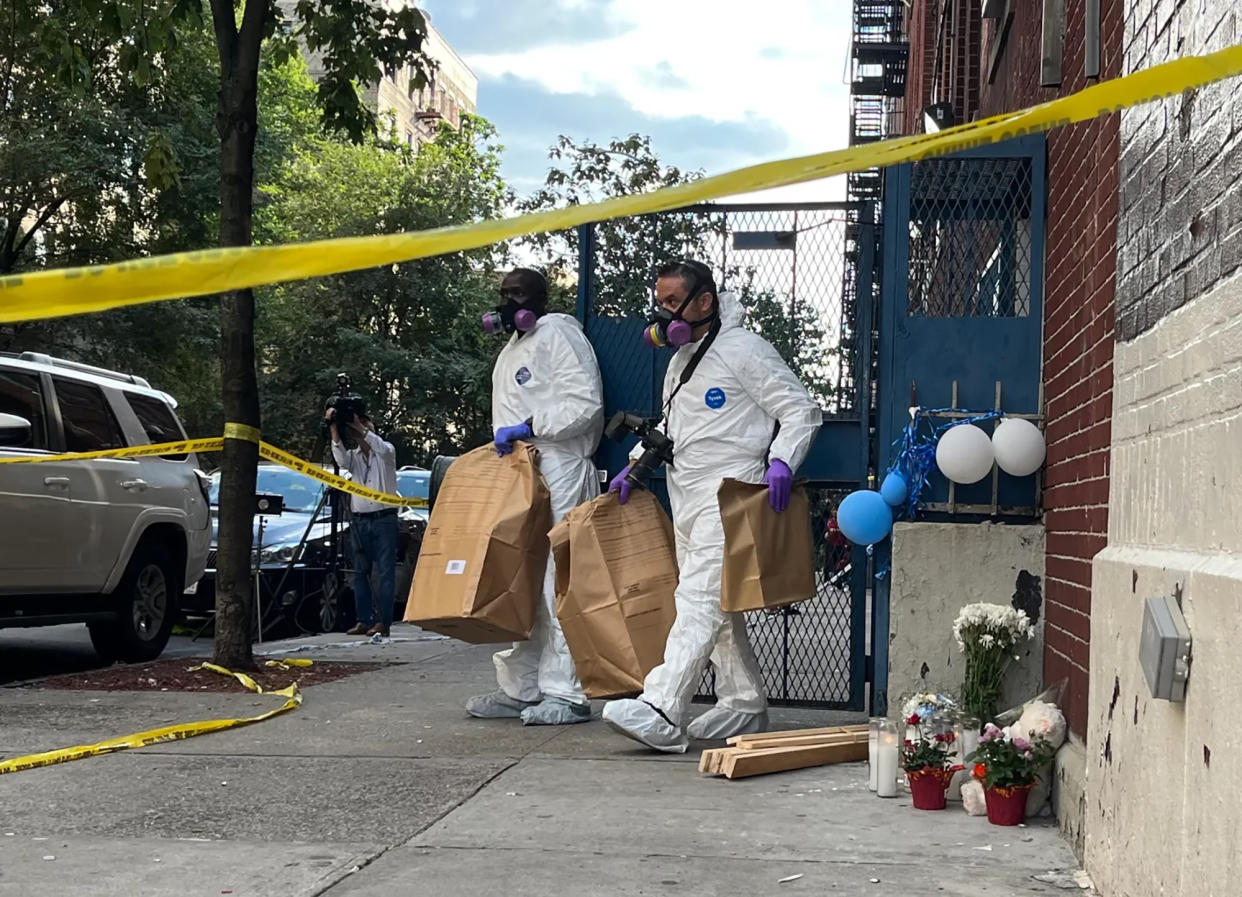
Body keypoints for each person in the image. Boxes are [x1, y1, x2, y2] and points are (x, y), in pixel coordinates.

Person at [601, 259, 821, 752]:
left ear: (705, 301)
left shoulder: (744, 350)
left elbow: (799, 408)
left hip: (731, 493)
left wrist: (782, 460)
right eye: (659, 302)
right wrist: (635, 464)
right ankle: (743, 703)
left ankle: (662, 706)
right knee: (719, 604)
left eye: (673, 302)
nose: (663, 314)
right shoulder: (681, 359)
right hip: (687, 494)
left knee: (698, 599)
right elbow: (677, 425)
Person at [465, 267, 605, 726]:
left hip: (559, 466)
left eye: (517, 294)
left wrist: (530, 428)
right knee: (523, 578)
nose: (508, 303)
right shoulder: (513, 348)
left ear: (541, 299)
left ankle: (566, 692)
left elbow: (585, 405)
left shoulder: (559, 336)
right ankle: (521, 688)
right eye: (503, 294)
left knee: (556, 581)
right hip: (522, 470)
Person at [327, 409, 399, 637]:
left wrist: (361, 427)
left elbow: (379, 446)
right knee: (360, 573)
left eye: (367, 426)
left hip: (384, 519)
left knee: (385, 573)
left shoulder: (386, 453)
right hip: (359, 521)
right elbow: (340, 458)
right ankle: (364, 620)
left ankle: (383, 622)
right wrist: (334, 428)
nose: (361, 430)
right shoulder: (354, 457)